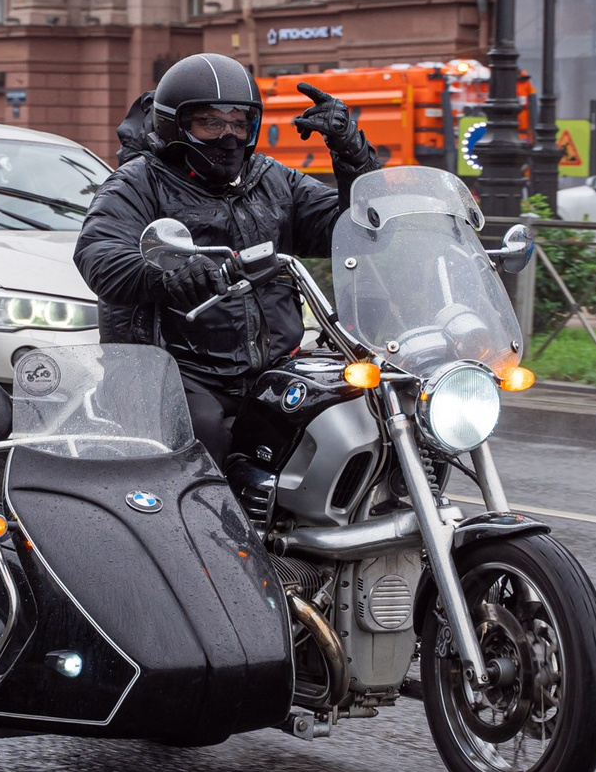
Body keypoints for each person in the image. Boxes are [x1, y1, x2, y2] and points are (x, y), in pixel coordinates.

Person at [75, 53, 379, 466]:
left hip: (273, 364)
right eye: (211, 123)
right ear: (176, 125)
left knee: (356, 408)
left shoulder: (272, 179)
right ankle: (197, 528)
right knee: (202, 434)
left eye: (239, 123)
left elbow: (351, 228)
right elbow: (100, 253)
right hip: (175, 371)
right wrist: (170, 275)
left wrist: (352, 154)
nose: (229, 136)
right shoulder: (139, 182)